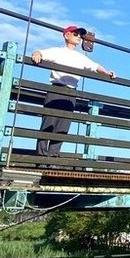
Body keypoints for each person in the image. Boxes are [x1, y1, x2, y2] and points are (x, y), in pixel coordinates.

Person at [32, 25, 116, 160]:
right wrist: (37, 54)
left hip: (71, 92)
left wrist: (107, 73)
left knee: (63, 126)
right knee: (49, 122)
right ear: (67, 35)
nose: (78, 37)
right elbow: (40, 53)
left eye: (79, 35)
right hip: (56, 89)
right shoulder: (58, 51)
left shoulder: (80, 57)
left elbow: (95, 66)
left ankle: (53, 156)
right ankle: (41, 157)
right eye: (75, 34)